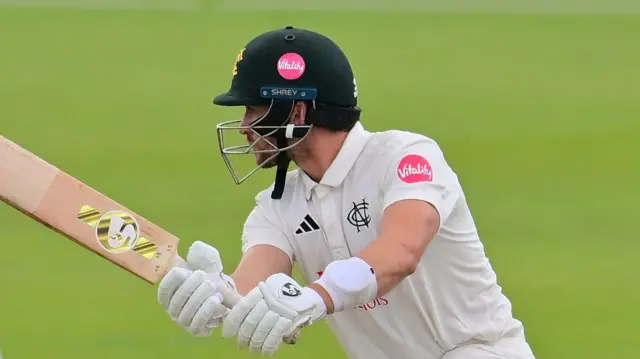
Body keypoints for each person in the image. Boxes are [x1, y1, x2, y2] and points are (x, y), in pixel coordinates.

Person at [156, 26, 537, 359]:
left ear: (299, 113)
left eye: (255, 110)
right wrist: (214, 293)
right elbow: (252, 283)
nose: (244, 127)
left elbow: (401, 252)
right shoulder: (276, 206)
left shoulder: (405, 158)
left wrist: (317, 296)